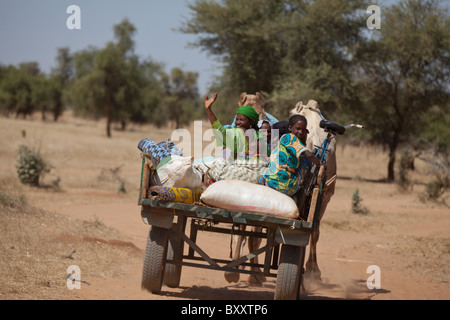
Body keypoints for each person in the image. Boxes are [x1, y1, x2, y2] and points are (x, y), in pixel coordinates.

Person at [259, 114, 320, 196]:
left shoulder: (286, 139)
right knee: (305, 164)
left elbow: (306, 153)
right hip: (289, 187)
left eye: (303, 130)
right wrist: (320, 164)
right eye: (298, 129)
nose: (301, 132)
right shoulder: (289, 138)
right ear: (290, 128)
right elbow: (309, 155)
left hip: (271, 181)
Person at [205, 92, 268, 159]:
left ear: (251, 122)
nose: (238, 122)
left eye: (241, 120)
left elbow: (220, 131)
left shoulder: (239, 133)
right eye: (237, 119)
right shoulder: (259, 134)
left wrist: (209, 110)